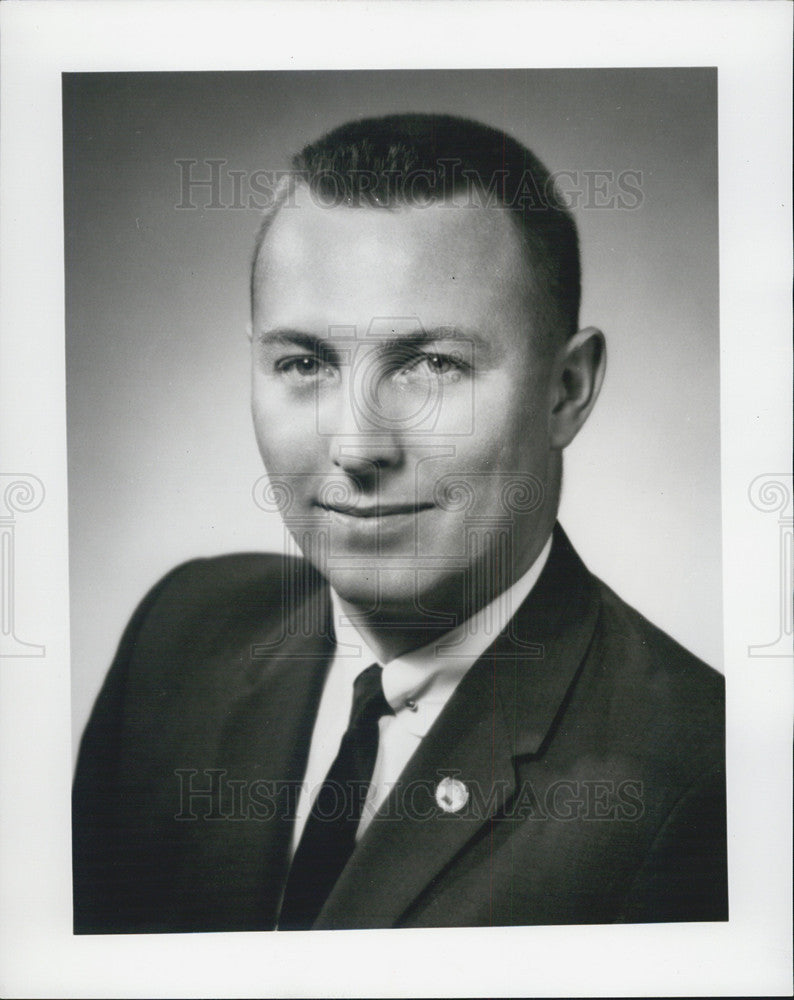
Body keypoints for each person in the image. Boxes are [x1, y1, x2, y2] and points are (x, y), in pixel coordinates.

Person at [72, 113, 727, 933]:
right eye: (304, 363)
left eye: (431, 366)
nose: (356, 446)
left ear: (567, 390)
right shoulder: (181, 633)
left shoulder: (708, 782)